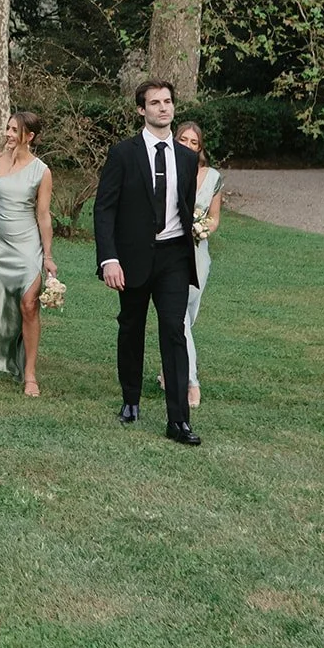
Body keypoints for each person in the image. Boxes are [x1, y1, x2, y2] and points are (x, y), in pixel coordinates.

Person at [93, 79, 201, 445]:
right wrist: (109, 259)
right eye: (155, 102)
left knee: (174, 330)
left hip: (173, 257)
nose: (163, 107)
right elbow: (104, 209)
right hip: (132, 258)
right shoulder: (123, 154)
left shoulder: (186, 158)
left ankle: (179, 421)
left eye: (167, 101)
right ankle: (131, 400)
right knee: (131, 328)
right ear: (142, 109)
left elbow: (185, 206)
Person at [0, 111, 56, 397]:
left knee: (29, 304)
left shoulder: (42, 171)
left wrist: (48, 256)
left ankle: (29, 374)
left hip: (27, 245)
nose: (8, 133)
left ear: (29, 136)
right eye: (8, 128)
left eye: (15, 130)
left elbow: (43, 215)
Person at [176, 120, 223, 410]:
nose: (189, 146)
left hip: (198, 252)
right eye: (184, 140)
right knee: (178, 315)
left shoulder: (213, 177)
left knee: (188, 316)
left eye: (194, 142)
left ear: (200, 148)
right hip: (172, 252)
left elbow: (215, 217)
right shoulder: (168, 170)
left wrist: (204, 228)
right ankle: (191, 381)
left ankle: (170, 367)